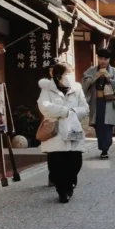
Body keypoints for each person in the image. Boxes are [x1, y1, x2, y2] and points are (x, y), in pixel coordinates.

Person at [37, 63, 89, 202]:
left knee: (75, 162)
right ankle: (61, 191)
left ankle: (70, 184)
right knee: (56, 164)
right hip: (55, 131)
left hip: (73, 129)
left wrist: (72, 112)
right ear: (59, 76)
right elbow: (44, 106)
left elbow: (85, 108)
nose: (71, 76)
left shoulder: (77, 88)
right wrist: (64, 112)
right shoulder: (47, 88)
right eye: (68, 73)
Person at [82, 48, 115, 159]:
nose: (103, 61)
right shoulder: (91, 70)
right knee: (98, 125)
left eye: (105, 59)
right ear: (98, 58)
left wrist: (109, 78)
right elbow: (84, 87)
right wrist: (95, 77)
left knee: (108, 125)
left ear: (109, 60)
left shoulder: (114, 72)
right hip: (96, 101)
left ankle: (105, 149)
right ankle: (103, 148)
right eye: (101, 58)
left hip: (108, 102)